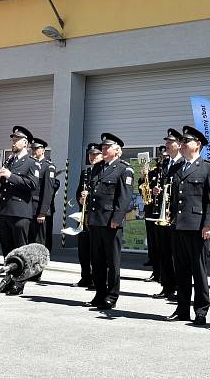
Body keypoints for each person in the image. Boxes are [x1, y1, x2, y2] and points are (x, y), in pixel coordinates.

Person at [166, 125, 210, 326]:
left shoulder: (208, 168)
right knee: (181, 270)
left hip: (198, 227)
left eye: (185, 142)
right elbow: (174, 197)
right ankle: (182, 309)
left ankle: (201, 310)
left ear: (197, 145)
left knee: (199, 270)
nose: (181, 145)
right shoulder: (177, 168)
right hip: (179, 225)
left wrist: (208, 225)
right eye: (181, 142)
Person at [84, 133, 133, 310]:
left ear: (117, 151)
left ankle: (111, 296)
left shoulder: (124, 169)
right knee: (96, 260)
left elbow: (124, 197)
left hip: (111, 221)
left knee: (112, 261)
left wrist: (117, 219)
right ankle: (99, 293)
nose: (103, 150)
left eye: (106, 147)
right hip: (96, 220)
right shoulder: (97, 168)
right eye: (102, 147)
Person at [0, 126, 39, 295]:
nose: (13, 142)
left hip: (20, 212)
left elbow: (32, 184)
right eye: (12, 139)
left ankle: (19, 283)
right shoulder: (9, 161)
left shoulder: (31, 163)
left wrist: (10, 176)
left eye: (16, 140)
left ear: (25, 143)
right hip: (5, 211)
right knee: (7, 250)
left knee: (20, 250)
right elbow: (5, 187)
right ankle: (8, 279)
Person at [152, 128, 184, 301]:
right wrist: (156, 190)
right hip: (163, 215)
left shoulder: (182, 164)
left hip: (175, 216)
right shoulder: (165, 164)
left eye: (170, 142)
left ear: (179, 145)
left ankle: (179, 286)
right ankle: (167, 286)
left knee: (176, 255)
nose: (167, 145)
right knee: (163, 252)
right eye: (167, 142)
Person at [72, 142, 102, 289]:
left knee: (96, 251)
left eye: (95, 154)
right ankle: (85, 277)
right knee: (83, 249)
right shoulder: (86, 173)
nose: (92, 157)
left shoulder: (103, 171)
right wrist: (80, 198)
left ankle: (98, 280)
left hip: (97, 216)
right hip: (84, 216)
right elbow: (78, 191)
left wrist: (89, 196)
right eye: (90, 155)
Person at [141, 146, 166, 283]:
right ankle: (155, 272)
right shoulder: (152, 172)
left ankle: (165, 274)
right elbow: (143, 188)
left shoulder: (169, 171)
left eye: (165, 157)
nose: (162, 159)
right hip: (151, 211)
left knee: (163, 245)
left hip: (163, 214)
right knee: (153, 244)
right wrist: (143, 177)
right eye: (161, 157)